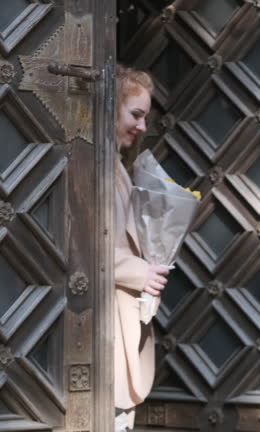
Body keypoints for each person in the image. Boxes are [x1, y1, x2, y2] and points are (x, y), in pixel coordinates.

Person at [113, 65, 170, 431]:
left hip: (121, 314)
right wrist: (140, 272)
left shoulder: (115, 166)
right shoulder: (92, 167)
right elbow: (81, 245)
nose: (143, 126)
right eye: (135, 114)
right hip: (104, 321)